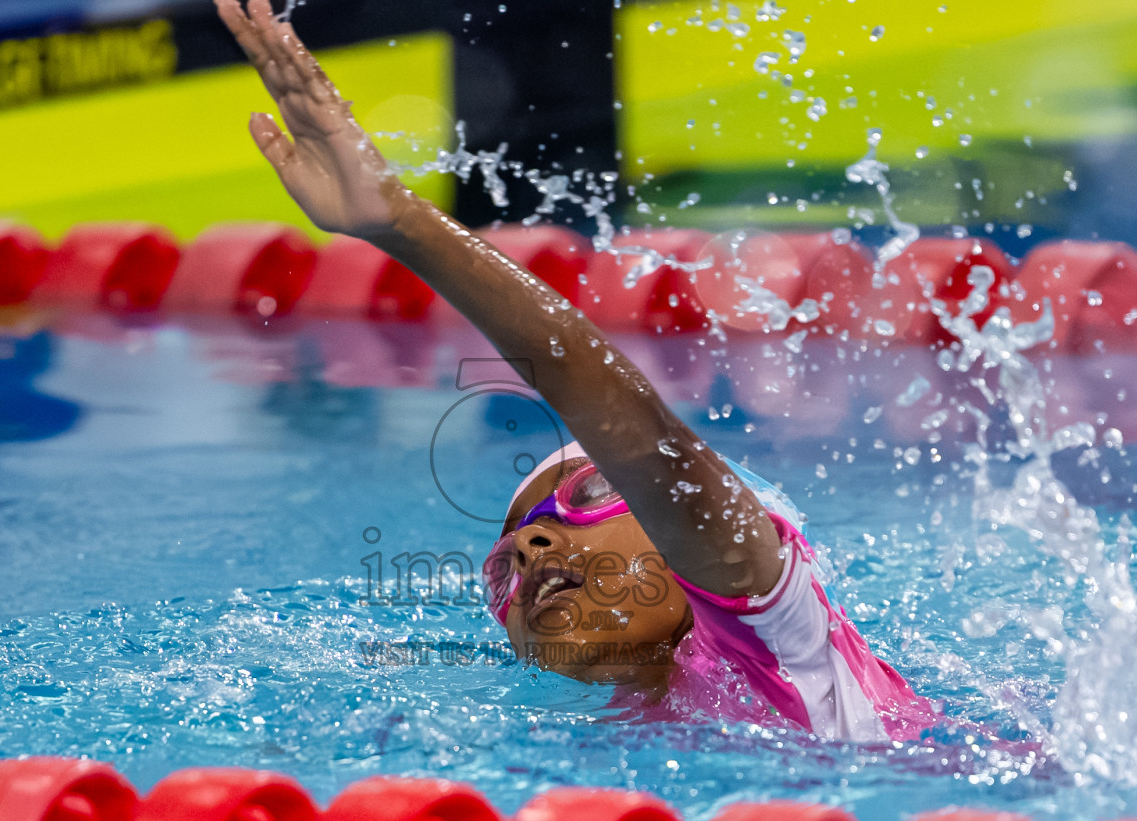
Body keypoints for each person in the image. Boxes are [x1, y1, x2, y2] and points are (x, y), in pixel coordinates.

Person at [214, 0, 938, 742]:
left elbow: (642, 438)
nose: (529, 549)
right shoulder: (617, 735)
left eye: (592, 492)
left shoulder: (786, 644)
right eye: (502, 567)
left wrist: (401, 222)